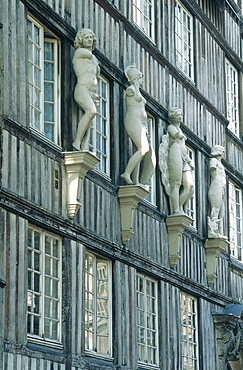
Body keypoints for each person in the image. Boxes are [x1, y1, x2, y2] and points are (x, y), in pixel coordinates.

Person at [121, 64, 156, 185]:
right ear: (136, 78)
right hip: (133, 119)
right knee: (143, 148)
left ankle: (135, 180)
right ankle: (126, 173)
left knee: (139, 149)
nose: (142, 80)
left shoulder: (137, 91)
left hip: (140, 122)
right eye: (140, 77)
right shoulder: (131, 90)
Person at [159, 107, 194, 215]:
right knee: (176, 183)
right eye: (178, 115)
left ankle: (179, 206)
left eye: (180, 114)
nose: (180, 117)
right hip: (174, 153)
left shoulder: (180, 129)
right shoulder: (171, 127)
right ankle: (175, 210)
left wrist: (189, 160)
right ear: (172, 117)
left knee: (190, 186)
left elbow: (183, 146)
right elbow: (175, 135)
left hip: (183, 157)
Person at [72, 29, 100, 151]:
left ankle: (84, 145)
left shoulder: (93, 58)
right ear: (81, 40)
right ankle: (77, 141)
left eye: (91, 38)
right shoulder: (80, 52)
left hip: (92, 91)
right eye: (86, 37)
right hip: (82, 89)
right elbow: (90, 55)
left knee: (89, 117)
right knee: (91, 111)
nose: (89, 40)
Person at [208, 145, 226, 237]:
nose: (223, 153)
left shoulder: (219, 162)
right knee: (216, 207)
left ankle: (220, 232)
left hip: (221, 186)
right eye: (222, 151)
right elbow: (212, 168)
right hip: (216, 184)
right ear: (218, 151)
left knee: (222, 211)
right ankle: (212, 231)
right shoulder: (214, 161)